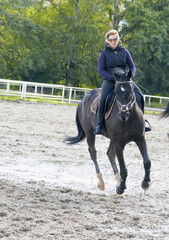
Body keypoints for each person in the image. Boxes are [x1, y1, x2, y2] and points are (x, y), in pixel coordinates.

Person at [95, 29, 151, 134]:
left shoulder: (125, 51)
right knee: (103, 99)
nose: (113, 42)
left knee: (140, 96)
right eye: (110, 40)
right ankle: (99, 124)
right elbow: (101, 71)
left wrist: (131, 75)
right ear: (107, 41)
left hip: (125, 80)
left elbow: (132, 66)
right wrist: (113, 78)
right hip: (110, 79)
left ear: (118, 39)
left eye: (115, 39)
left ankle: (143, 120)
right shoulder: (103, 53)